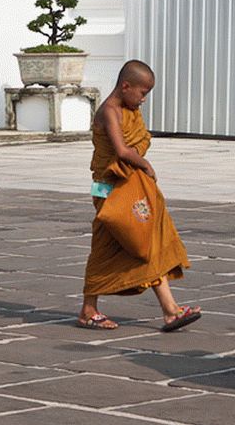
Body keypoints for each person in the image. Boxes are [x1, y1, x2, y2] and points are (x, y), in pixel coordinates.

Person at [79, 59, 201, 332]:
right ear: (126, 86)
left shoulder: (127, 108)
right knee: (112, 247)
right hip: (109, 188)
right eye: (142, 93)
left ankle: (170, 311)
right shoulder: (110, 111)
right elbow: (122, 151)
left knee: (145, 242)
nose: (143, 100)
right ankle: (90, 310)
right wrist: (145, 164)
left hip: (129, 187)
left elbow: (140, 138)